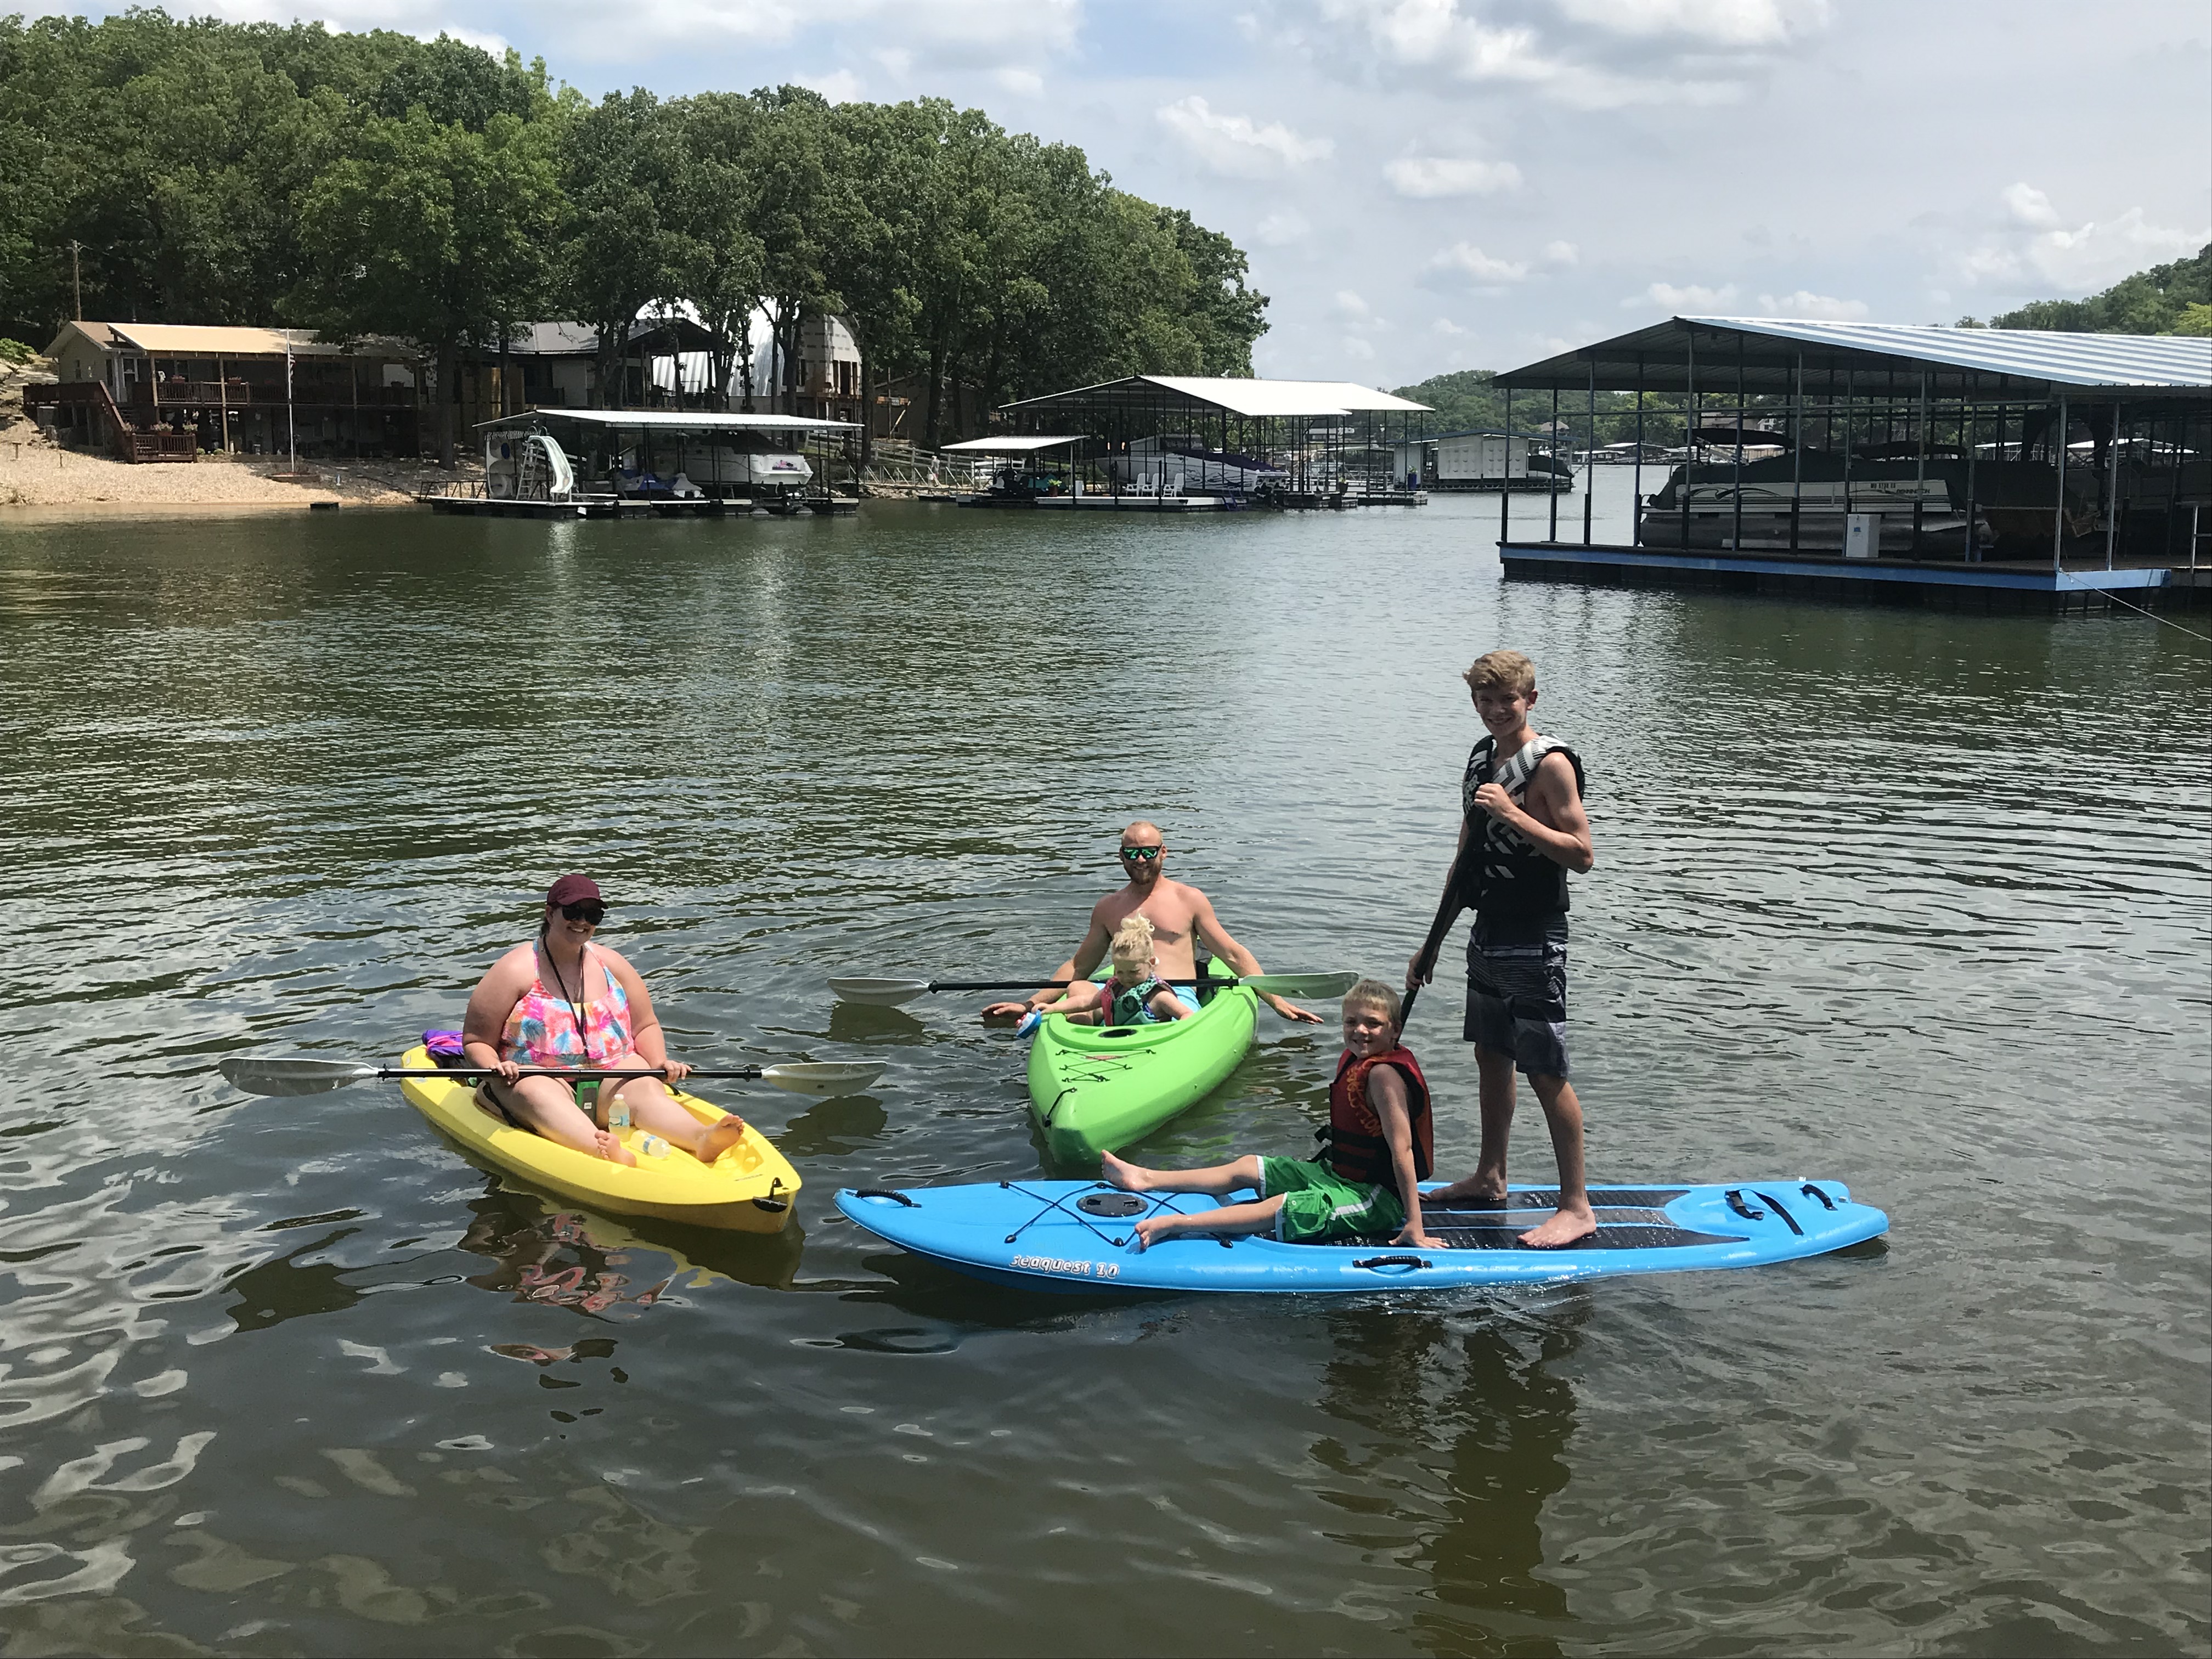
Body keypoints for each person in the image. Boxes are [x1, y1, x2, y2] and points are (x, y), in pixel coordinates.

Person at [1407, 649, 1596, 1248]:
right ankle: (1491, 1176)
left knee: (1545, 1069)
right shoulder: (1480, 758)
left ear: (1530, 701)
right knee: (1491, 1056)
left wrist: (1514, 813)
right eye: (1483, 702)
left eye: (1505, 701)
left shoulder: (1553, 765)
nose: (1494, 712)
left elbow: (1582, 855)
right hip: (1486, 930)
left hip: (1536, 935)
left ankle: (1576, 1206)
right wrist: (1431, 944)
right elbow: (1465, 860)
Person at [1100, 978, 1442, 1251]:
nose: (1360, 1031)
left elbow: (1403, 1151)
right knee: (1249, 1165)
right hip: (1338, 1175)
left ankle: (1177, 1225)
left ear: (1394, 1030)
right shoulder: (1360, 1060)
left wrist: (1414, 1222)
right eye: (1352, 1022)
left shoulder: (1384, 1076)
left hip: (1375, 1197)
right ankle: (1146, 1178)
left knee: (1291, 1206)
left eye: (1373, 1024)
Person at [460, 874, 749, 1169]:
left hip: (609, 1074)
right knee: (536, 1092)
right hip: (536, 1078)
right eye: (573, 912)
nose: (582, 922)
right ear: (550, 913)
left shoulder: (613, 964)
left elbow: (645, 1025)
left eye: (593, 914)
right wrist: (494, 1065)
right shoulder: (514, 969)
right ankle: (599, 1148)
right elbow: (475, 1039)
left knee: (641, 1076)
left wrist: (659, 1061)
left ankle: (699, 1138)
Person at [983, 820, 1324, 1025]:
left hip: (1173, 996)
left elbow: (1233, 955)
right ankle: (1086, 1051)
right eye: (1132, 853)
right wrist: (1028, 1004)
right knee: (1077, 992)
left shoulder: (1189, 899)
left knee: (1161, 1006)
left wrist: (1277, 1001)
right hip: (1120, 992)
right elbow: (1078, 965)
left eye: (1148, 851)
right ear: (1121, 857)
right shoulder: (1108, 908)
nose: (1141, 859)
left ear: (1164, 852)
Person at [1057, 915, 1192, 1026]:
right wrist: (1051, 1008)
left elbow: (1187, 1014)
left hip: (1152, 1045)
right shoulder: (1115, 989)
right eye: (1120, 972)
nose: (1126, 978)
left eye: (1134, 972)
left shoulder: (1159, 997)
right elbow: (1085, 1002)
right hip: (1118, 1042)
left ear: (1151, 963)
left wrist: (1178, 1032)